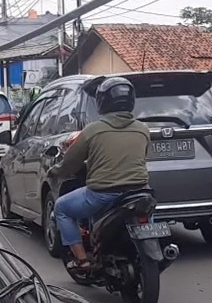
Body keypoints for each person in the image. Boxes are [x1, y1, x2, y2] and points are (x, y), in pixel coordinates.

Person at [50, 77, 151, 269]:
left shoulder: (92, 131)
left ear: (102, 102)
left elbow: (70, 164)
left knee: (61, 208)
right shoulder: (143, 130)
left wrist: (56, 171)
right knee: (147, 215)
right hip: (140, 193)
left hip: (102, 195)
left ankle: (81, 259)